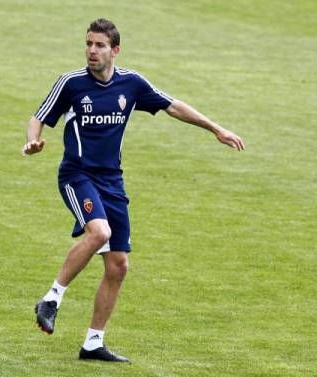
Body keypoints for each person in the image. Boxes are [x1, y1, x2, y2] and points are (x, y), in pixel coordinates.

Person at [21, 18, 245, 363]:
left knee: (118, 265)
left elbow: (172, 105)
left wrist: (215, 128)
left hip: (112, 181)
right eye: (88, 44)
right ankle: (51, 298)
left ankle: (93, 343)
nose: (92, 51)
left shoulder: (131, 84)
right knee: (99, 232)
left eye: (99, 45)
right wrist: (32, 141)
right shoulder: (71, 83)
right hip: (77, 176)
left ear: (115, 50)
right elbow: (40, 116)